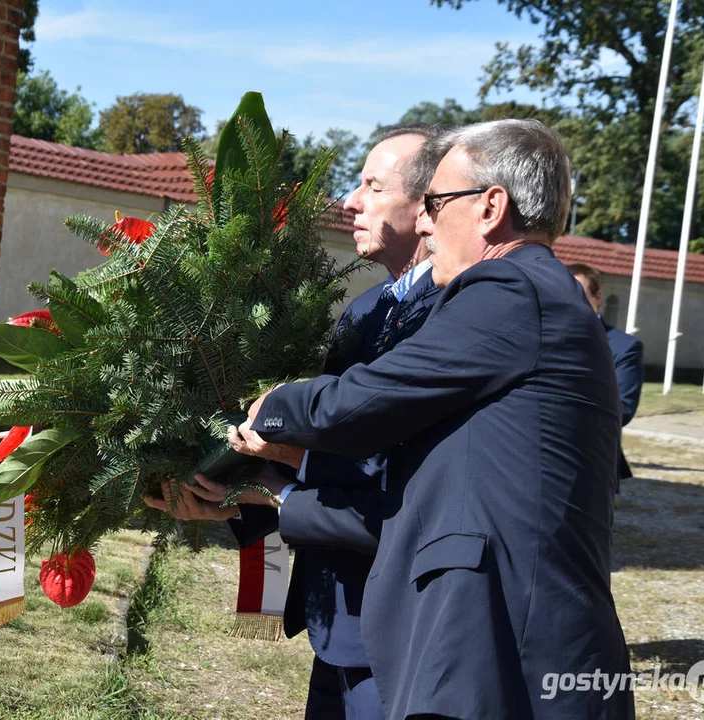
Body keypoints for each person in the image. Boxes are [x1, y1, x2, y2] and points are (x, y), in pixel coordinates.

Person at [231, 120, 634, 719]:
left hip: (512, 646)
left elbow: (363, 401)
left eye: (438, 204)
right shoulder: (532, 292)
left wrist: (274, 405)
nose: (424, 221)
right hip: (503, 641)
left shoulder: (511, 289)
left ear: (491, 206)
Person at [146, 124, 446, 720]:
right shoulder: (365, 309)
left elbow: (404, 464)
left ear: (427, 207)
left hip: (398, 622)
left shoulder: (450, 315)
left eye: (372, 186)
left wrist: (288, 459)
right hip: (334, 613)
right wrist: (229, 496)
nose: (351, 202)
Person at [569, 262, 643, 486]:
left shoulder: (624, 347)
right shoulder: (537, 335)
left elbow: (623, 407)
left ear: (597, 297)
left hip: (592, 461)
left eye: (579, 293)